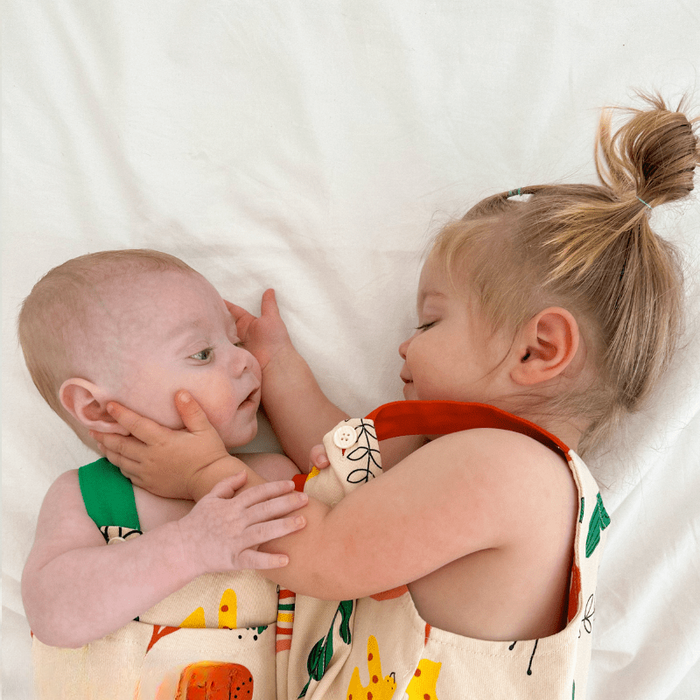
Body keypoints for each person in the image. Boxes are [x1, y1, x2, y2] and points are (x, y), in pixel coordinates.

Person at [94, 94, 699, 699]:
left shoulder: (508, 470)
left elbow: (327, 553)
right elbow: (341, 464)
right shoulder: (475, 463)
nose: (404, 348)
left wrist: (205, 471)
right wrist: (279, 369)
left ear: (538, 349)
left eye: (431, 323)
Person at [19, 250, 310, 699]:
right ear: (95, 408)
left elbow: (351, 518)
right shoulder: (85, 497)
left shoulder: (270, 476)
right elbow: (53, 615)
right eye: (203, 353)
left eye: (237, 342)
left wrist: (281, 363)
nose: (244, 361)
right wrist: (187, 547)